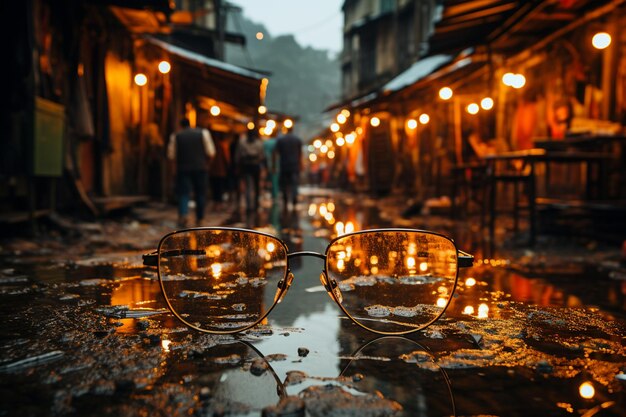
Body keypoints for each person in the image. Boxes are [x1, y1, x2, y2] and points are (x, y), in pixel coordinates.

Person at [168, 118, 216, 227]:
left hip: (183, 168)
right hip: (200, 168)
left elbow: (171, 156)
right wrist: (207, 165)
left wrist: (174, 170)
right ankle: (200, 218)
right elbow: (211, 152)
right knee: (200, 193)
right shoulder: (203, 133)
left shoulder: (176, 136)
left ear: (180, 125)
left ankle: (184, 215)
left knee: (184, 193)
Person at [235, 128, 265, 212]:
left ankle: (249, 205)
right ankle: (256, 204)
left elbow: (238, 156)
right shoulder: (259, 143)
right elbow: (262, 156)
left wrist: (237, 165)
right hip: (255, 166)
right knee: (256, 186)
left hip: (246, 166)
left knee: (248, 186)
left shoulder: (242, 142)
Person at [273, 126, 302, 211]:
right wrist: (300, 164)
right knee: (294, 182)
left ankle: (285, 199)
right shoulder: (297, 140)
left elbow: (275, 153)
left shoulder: (281, 140)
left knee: (284, 183)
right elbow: (300, 154)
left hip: (284, 165)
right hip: (294, 165)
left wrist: (274, 166)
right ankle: (294, 197)